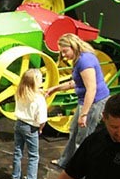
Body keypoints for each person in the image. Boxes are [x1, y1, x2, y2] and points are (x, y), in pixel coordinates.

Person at [46, 33, 111, 170]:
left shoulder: (85, 61)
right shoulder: (79, 59)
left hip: (94, 102)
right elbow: (76, 83)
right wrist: (55, 88)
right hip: (85, 101)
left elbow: (91, 89)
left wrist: (84, 114)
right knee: (73, 131)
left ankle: (78, 169)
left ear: (73, 46)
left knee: (83, 137)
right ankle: (65, 161)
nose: (63, 56)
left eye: (65, 51)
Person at [11, 68, 48, 179]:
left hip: (19, 124)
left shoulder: (19, 93)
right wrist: (41, 129)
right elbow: (42, 119)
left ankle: (16, 178)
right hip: (31, 127)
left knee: (18, 152)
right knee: (33, 156)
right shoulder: (39, 99)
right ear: (35, 82)